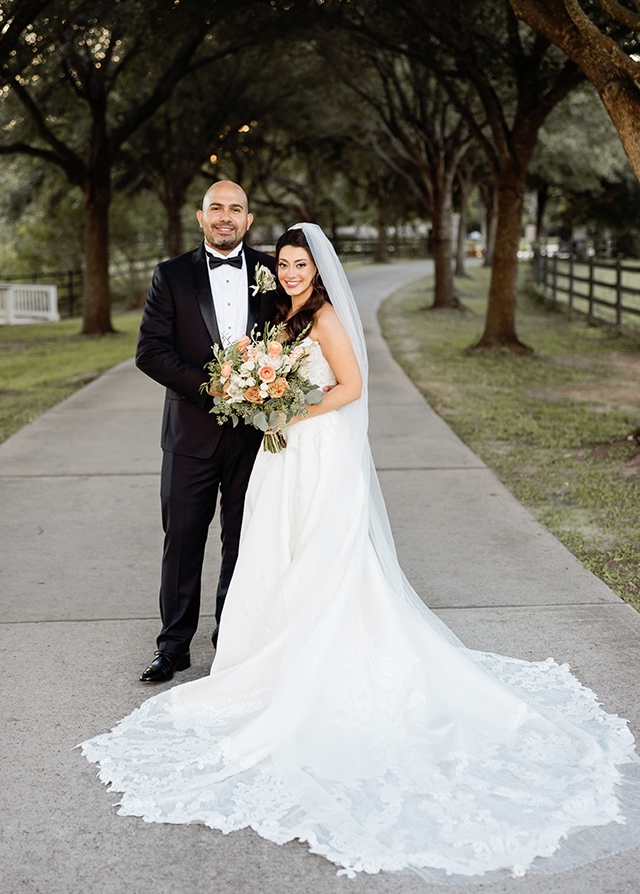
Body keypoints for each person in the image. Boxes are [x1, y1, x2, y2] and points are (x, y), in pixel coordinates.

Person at [82, 224, 640, 881]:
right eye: (285, 264)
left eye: (301, 264)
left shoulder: (323, 314)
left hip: (319, 452)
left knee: (326, 561)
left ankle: (323, 666)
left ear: (319, 268)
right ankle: (268, 654)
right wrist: (261, 394)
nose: (292, 273)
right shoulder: (281, 312)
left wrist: (292, 406)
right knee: (278, 557)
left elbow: (350, 386)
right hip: (281, 454)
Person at [135, 180, 276, 683]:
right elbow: (150, 352)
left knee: (244, 541)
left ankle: (231, 641)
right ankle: (172, 647)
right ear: (200, 217)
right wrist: (212, 388)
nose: (225, 217)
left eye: (235, 209)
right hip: (189, 435)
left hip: (257, 436)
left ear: (248, 219)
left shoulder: (271, 271)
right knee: (183, 541)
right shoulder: (170, 275)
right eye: (216, 208)